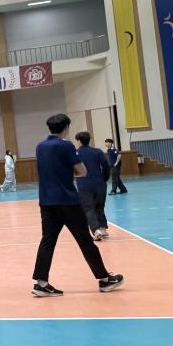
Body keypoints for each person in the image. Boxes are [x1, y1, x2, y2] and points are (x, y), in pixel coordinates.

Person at [32, 114, 124, 297]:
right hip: (68, 201)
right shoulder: (66, 146)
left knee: (47, 241)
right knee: (84, 240)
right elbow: (81, 171)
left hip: (47, 201)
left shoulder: (40, 147)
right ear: (66, 127)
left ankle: (41, 283)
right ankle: (105, 279)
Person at [75, 132, 110, 240]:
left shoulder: (75, 153)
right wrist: (104, 178)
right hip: (99, 183)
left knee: (89, 208)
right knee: (100, 206)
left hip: (84, 184)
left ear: (79, 141)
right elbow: (106, 166)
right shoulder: (97, 151)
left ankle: (96, 230)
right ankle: (103, 228)